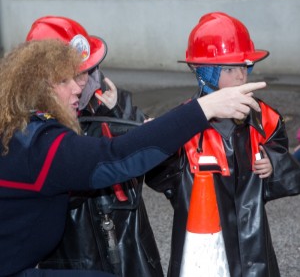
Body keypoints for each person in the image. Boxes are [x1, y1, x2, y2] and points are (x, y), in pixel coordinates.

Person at [0, 37, 266, 276]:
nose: (78, 88)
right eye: (63, 81)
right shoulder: (40, 143)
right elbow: (116, 159)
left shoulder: (20, 131)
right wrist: (204, 108)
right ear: (36, 88)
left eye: (76, 77)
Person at [145, 12, 300, 277]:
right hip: (202, 246)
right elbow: (161, 180)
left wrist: (274, 163)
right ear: (206, 73)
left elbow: (285, 161)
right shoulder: (183, 124)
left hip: (253, 246)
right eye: (229, 69)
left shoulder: (265, 118)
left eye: (244, 66)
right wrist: (156, 141)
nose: (241, 75)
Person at [25, 16, 162, 277]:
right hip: (73, 257)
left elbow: (158, 171)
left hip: (131, 248)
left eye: (87, 71)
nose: (83, 83)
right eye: (72, 77)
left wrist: (121, 118)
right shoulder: (33, 131)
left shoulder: (113, 103)